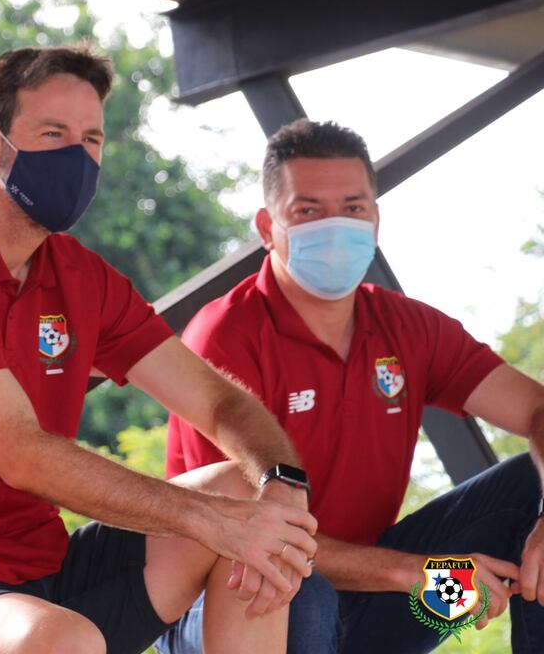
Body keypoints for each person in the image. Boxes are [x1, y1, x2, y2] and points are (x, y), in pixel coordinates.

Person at [0, 46, 320, 654]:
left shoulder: (80, 276)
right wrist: (211, 522)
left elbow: (216, 401)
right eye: (52, 133)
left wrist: (282, 487)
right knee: (62, 640)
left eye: (91, 140)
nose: (77, 157)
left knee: (254, 511)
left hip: (46, 573)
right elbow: (19, 454)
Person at [163, 119, 544, 653]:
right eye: (308, 211)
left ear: (376, 219)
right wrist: (419, 574)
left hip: (375, 597)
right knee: (300, 587)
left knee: (536, 481)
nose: (334, 225)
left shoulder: (407, 327)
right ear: (268, 226)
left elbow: (536, 409)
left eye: (353, 207)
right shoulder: (227, 335)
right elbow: (251, 533)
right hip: (228, 603)